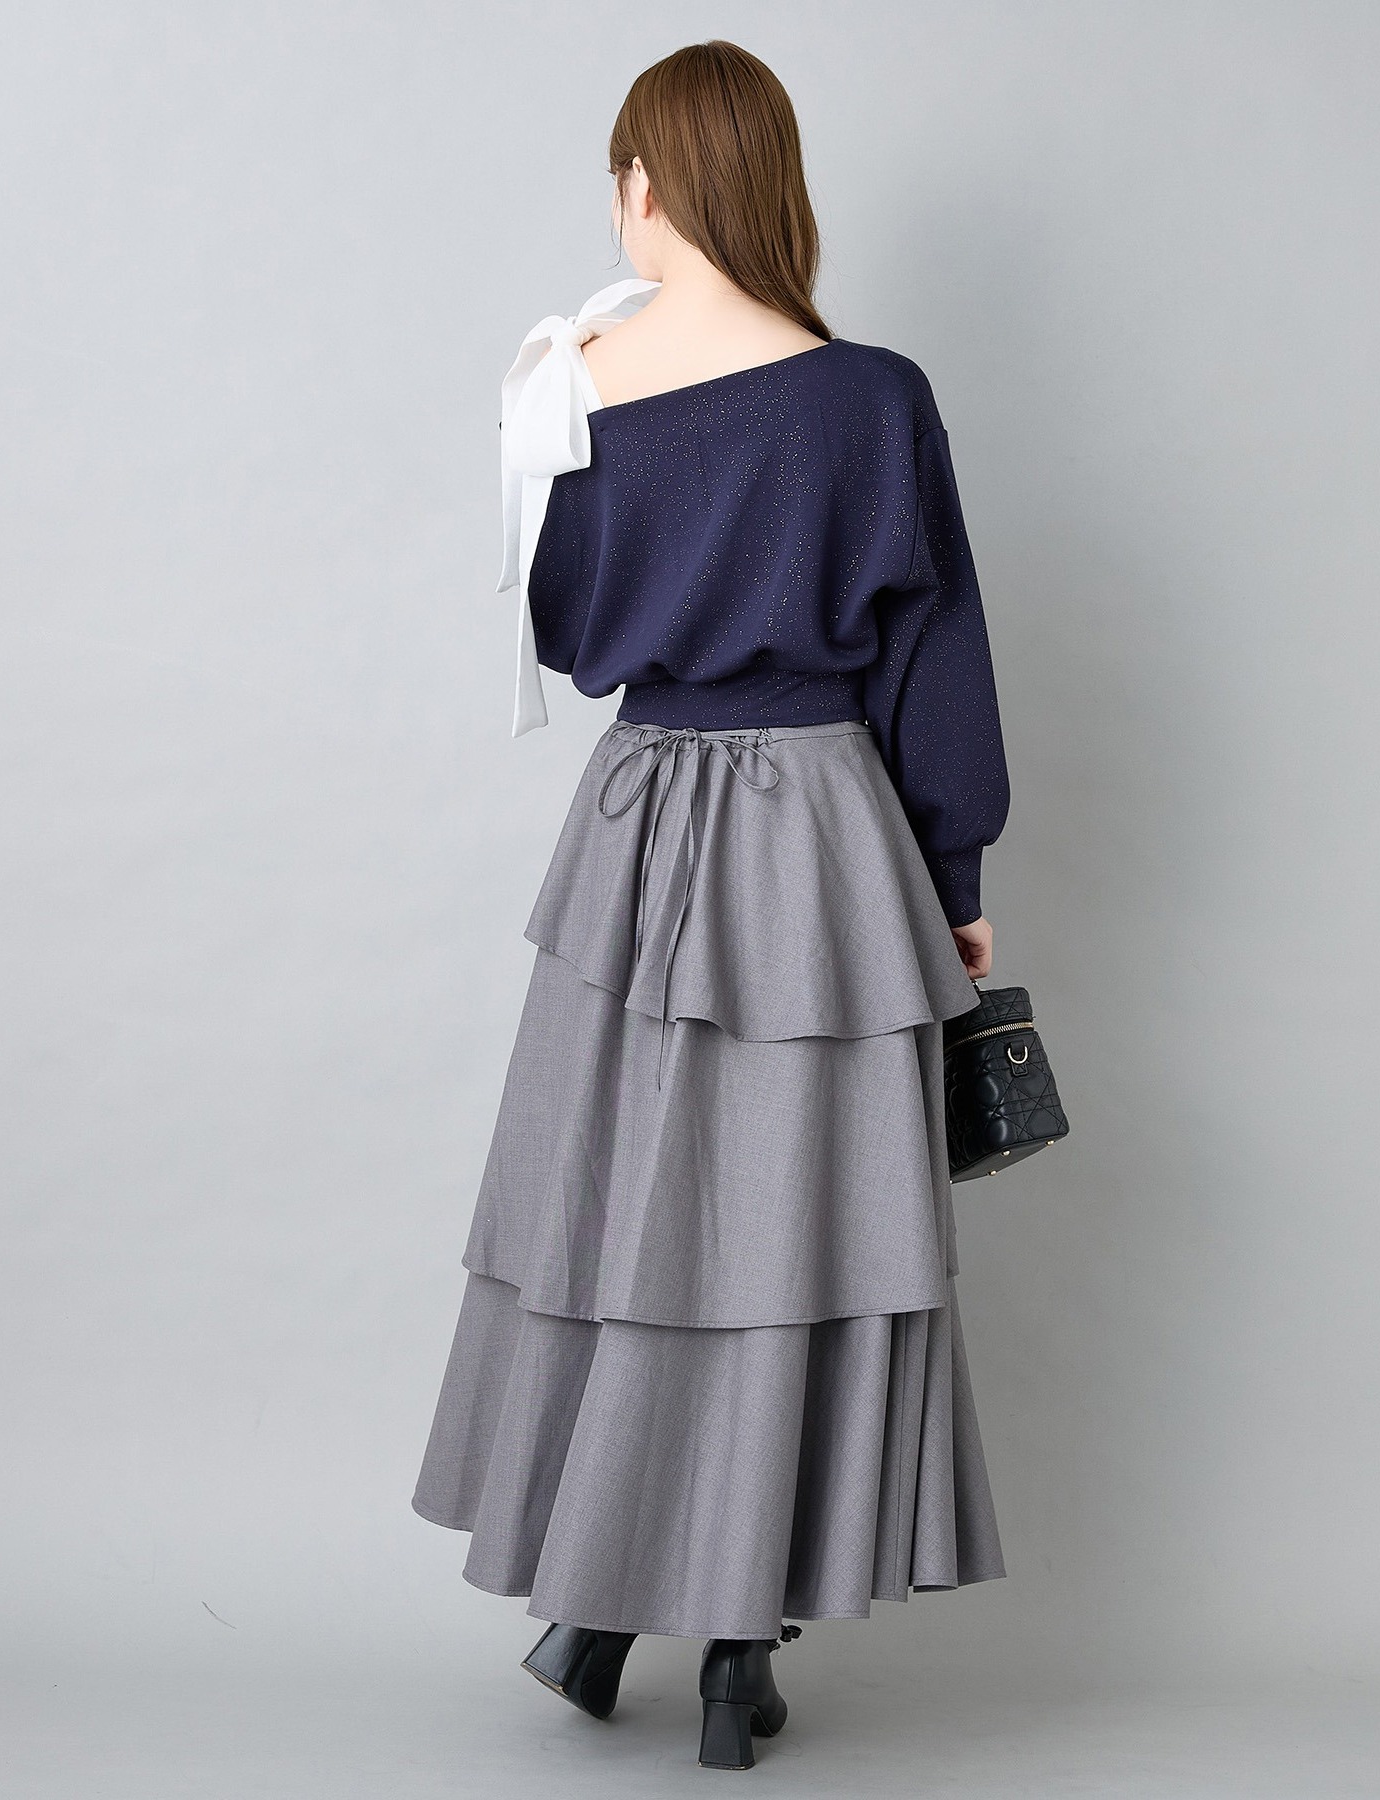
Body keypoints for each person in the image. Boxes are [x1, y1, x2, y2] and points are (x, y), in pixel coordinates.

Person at [412, 38, 1011, 1772]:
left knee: (621, 1214)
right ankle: (741, 1652)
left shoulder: (572, 382)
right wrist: (953, 877)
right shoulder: (874, 397)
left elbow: (564, 635)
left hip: (640, 829)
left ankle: (595, 1612)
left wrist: (570, 432)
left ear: (643, 186)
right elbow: (932, 652)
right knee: (789, 1229)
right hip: (824, 835)